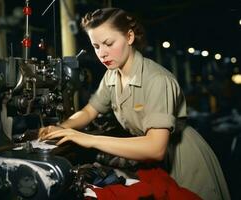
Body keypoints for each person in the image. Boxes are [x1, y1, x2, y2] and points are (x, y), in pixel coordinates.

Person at [39, 8, 230, 200]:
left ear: (129, 37)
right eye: (96, 46)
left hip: (184, 161)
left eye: (108, 43)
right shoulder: (112, 76)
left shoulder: (157, 79)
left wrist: (87, 139)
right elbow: (90, 111)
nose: (102, 53)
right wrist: (60, 129)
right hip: (156, 166)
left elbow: (156, 148)